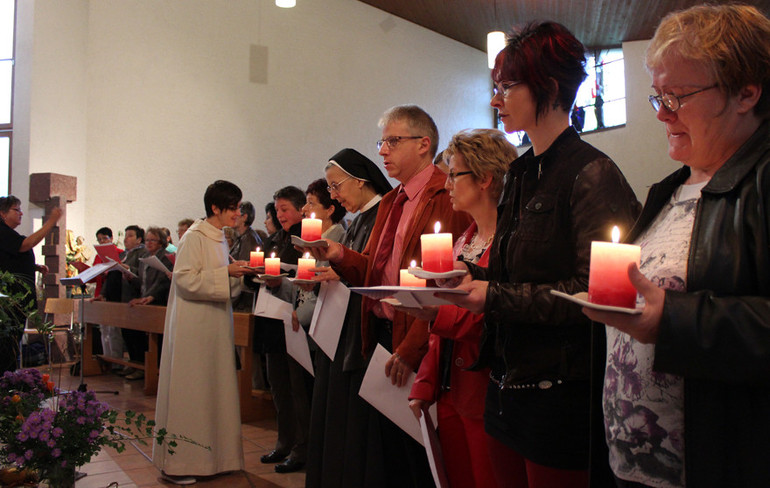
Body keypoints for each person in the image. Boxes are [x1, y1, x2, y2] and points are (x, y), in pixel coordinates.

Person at [436, 22, 640, 488]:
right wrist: (459, 272)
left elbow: (596, 295)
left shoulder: (592, 173)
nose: (495, 100)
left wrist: (493, 298)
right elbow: (509, 268)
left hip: (561, 391)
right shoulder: (522, 169)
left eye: (506, 87)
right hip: (507, 383)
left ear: (547, 87)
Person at [582, 5, 770, 488]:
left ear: (747, 92)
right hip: (633, 467)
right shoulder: (668, 189)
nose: (662, 113)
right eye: (658, 96)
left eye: (678, 96)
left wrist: (676, 320)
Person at [305, 105, 471, 487]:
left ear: (423, 145)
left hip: (418, 340)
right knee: (387, 455)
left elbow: (446, 285)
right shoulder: (393, 200)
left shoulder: (444, 194)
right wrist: (339, 255)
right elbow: (377, 274)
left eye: (393, 141)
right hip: (381, 334)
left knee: (415, 456)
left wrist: (414, 346)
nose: (382, 151)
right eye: (382, 142)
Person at [403, 129, 516, 488]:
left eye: (455, 173)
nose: (447, 182)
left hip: (485, 387)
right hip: (451, 388)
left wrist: (435, 313)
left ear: (485, 178)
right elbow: (440, 328)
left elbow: (497, 315)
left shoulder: (509, 242)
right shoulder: (464, 240)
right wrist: (425, 382)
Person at [153, 180, 255, 484]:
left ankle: (215, 460)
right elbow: (185, 280)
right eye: (234, 207)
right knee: (192, 394)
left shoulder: (218, 237)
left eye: (238, 206)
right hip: (193, 328)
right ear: (215, 207)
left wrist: (238, 273)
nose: (238, 213)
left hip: (213, 325)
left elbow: (218, 280)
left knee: (213, 391)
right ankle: (181, 465)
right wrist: (227, 273)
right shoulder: (194, 237)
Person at [305, 148, 393, 488]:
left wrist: (340, 271)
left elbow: (376, 271)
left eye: (336, 185)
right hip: (343, 327)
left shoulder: (383, 214)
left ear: (360, 180)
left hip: (366, 331)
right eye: (329, 189)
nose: (334, 195)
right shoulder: (359, 220)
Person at [258, 185, 311, 474]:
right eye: (276, 210)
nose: (279, 215)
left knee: (297, 388)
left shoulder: (306, 238)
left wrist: (281, 280)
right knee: (278, 385)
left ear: (301, 209)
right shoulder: (274, 239)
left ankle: (302, 447)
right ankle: (284, 441)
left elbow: (308, 280)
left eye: (285, 209)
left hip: (292, 320)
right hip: (270, 318)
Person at [0, 196, 62, 372]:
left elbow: (7, 261)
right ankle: (7, 387)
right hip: (9, 303)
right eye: (16, 209)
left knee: (12, 347)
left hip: (15, 301)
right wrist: (50, 222)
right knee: (7, 349)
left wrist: (33, 267)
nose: (20, 213)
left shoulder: (7, 233)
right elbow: (25, 244)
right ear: (2, 213)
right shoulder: (2, 231)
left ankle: (11, 386)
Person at [116, 225, 148, 377]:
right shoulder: (124, 254)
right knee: (127, 334)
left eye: (130, 235)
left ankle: (140, 366)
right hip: (124, 296)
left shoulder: (143, 252)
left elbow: (143, 274)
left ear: (139, 239)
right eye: (126, 235)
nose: (125, 238)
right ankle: (133, 363)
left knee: (137, 336)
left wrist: (130, 270)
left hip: (136, 296)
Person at [92, 226, 125, 368]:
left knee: (114, 330)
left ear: (111, 238)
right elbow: (94, 275)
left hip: (114, 295)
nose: (102, 241)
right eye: (99, 240)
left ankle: (116, 361)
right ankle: (106, 359)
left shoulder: (120, 253)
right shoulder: (98, 256)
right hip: (100, 294)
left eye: (104, 238)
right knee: (103, 329)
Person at [230, 201, 263, 312]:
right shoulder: (241, 237)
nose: (233, 216)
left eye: (236, 213)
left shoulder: (250, 239)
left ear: (244, 217)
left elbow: (244, 270)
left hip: (244, 301)